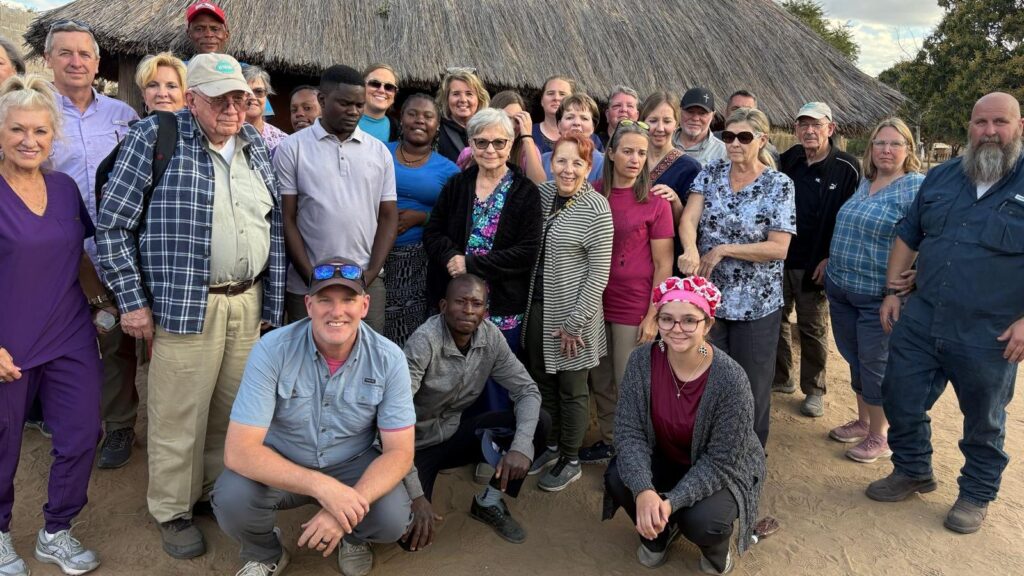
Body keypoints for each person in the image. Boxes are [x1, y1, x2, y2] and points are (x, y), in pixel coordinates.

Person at [97, 53, 285, 559]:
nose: (232, 108)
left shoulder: (254, 147)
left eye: (240, 98)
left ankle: (209, 493)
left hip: (246, 301)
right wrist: (133, 302)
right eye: (220, 99)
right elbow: (113, 226)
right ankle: (172, 509)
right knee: (179, 414)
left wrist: (271, 306)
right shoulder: (154, 137)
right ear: (192, 99)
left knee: (231, 410)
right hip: (184, 304)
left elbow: (273, 230)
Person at [867, 92, 1024, 535]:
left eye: (999, 122)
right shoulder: (942, 176)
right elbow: (909, 234)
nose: (989, 132)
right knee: (899, 395)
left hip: (989, 332)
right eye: (980, 122)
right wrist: (892, 290)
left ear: (1019, 127)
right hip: (923, 316)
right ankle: (912, 469)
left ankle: (976, 493)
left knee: (984, 420)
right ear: (969, 126)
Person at [213, 256, 415, 576]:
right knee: (231, 499)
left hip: (351, 462)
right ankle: (265, 552)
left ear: (364, 305)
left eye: (348, 300)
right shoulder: (272, 349)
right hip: (283, 458)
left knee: (392, 518)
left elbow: (400, 452)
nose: (337, 311)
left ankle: (353, 536)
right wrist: (323, 488)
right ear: (308, 305)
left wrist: (344, 509)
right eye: (325, 300)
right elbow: (239, 451)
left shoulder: (389, 359)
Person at [0, 74, 106, 576]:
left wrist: (102, 302)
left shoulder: (63, 188)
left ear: (53, 136)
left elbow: (77, 253)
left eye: (40, 131)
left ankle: (56, 530)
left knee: (82, 433)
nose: (30, 140)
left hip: (69, 333)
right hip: (9, 341)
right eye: (18, 130)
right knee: (3, 444)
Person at [603, 276, 765, 575]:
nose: (676, 329)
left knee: (703, 521)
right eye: (667, 319)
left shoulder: (730, 379)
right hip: (667, 455)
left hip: (722, 469)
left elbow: (722, 461)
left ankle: (716, 551)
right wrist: (644, 491)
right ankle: (657, 537)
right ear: (657, 321)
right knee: (619, 477)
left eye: (689, 320)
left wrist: (671, 502)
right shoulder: (641, 361)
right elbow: (629, 432)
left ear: (707, 324)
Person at [44, 20, 141, 469]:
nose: (76, 62)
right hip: (58, 254)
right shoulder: (37, 115)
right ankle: (74, 426)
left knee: (117, 340)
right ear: (48, 59)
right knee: (65, 344)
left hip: (116, 251)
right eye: (65, 53)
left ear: (98, 63)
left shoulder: (123, 116)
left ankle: (119, 425)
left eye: (84, 54)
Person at [401, 274, 550, 548]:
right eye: (460, 302)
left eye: (476, 303)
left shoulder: (490, 337)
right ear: (443, 306)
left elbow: (527, 390)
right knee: (409, 535)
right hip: (413, 446)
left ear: (485, 311)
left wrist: (520, 446)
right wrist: (415, 494)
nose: (468, 310)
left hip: (455, 434)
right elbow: (394, 419)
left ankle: (488, 502)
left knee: (539, 422)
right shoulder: (424, 342)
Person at [678, 107, 795, 451]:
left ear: (762, 140)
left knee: (750, 387)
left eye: (744, 137)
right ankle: (711, 452)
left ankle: (747, 458)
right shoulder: (711, 172)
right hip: (709, 301)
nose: (734, 143)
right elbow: (689, 219)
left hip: (755, 305)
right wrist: (691, 248)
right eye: (728, 136)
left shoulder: (778, 185)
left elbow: (779, 248)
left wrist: (723, 250)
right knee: (708, 380)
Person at [422, 108, 542, 410]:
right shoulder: (457, 185)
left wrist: (471, 264)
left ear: (510, 144)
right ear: (471, 144)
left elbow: (527, 252)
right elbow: (433, 232)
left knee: (497, 386)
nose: (490, 150)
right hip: (457, 305)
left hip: (502, 306)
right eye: (481, 142)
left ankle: (495, 435)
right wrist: (451, 256)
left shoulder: (525, 192)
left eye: (499, 142)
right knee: (454, 379)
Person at [825, 118, 923, 463]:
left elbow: (932, 234)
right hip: (841, 286)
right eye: (880, 143)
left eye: (895, 144)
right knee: (855, 358)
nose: (886, 150)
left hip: (878, 295)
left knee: (875, 364)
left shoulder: (916, 187)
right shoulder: (866, 181)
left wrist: (916, 274)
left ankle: (880, 435)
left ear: (908, 149)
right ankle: (864, 421)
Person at [521, 134, 614, 489]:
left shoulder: (597, 208)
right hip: (537, 308)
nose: (568, 169)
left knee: (572, 388)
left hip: (575, 315)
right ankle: (551, 445)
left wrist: (575, 323)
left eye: (577, 162)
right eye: (561, 160)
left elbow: (598, 275)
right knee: (542, 380)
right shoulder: (543, 195)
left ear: (589, 168)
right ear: (551, 163)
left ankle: (571, 458)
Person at [275, 64, 397, 331]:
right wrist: (311, 277)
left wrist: (370, 273)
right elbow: (287, 218)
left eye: (359, 105)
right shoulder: (292, 148)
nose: (354, 111)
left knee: (367, 351)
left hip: (365, 281)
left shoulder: (379, 153)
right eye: (345, 104)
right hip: (307, 282)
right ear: (322, 100)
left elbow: (388, 217)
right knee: (307, 352)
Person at [581, 121, 673, 465]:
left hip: (633, 305)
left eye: (642, 153)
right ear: (611, 153)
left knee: (629, 382)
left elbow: (663, 264)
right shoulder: (590, 194)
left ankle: (638, 452)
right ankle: (612, 443)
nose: (635, 159)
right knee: (600, 378)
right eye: (628, 151)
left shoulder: (655, 203)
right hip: (593, 302)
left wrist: (653, 315)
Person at [775, 102, 861, 418]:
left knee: (812, 326)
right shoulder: (789, 160)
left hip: (818, 262)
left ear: (830, 128)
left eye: (816, 125)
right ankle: (782, 377)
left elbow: (852, 219)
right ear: (796, 129)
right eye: (804, 125)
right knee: (777, 320)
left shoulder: (847, 167)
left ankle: (814, 390)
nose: (809, 131)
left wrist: (831, 258)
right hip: (782, 257)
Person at [383, 94, 460, 345]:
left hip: (416, 258)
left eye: (428, 116)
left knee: (406, 328)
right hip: (372, 251)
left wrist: (422, 217)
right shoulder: (379, 152)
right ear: (401, 119)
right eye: (412, 114)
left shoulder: (449, 170)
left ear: (437, 126)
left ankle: (403, 371)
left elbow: (455, 217)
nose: (420, 120)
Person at [540, 94, 605, 183]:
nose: (577, 123)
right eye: (569, 117)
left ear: (593, 127)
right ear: (559, 125)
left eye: (584, 118)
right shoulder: (543, 160)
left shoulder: (603, 164)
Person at [531, 75, 603, 154]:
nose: (556, 98)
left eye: (562, 94)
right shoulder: (529, 133)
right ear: (542, 100)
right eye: (550, 93)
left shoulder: (593, 139)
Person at [487, 91, 545, 183]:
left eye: (518, 120)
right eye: (506, 118)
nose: (513, 126)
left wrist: (527, 137)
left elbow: (539, 184)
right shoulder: (475, 150)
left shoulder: (526, 150)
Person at [435, 67, 490, 162]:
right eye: (456, 94)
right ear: (446, 99)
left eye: (469, 94)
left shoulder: (489, 131)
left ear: (479, 99)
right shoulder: (436, 133)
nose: (463, 100)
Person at [672, 88, 727, 166]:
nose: (695, 118)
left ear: (713, 116)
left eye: (702, 113)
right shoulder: (662, 141)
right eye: (690, 112)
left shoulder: (723, 153)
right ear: (679, 111)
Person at [243, 65, 287, 151]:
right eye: (246, 91)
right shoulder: (224, 135)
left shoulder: (282, 141)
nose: (252, 97)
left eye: (259, 91)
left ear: (266, 95)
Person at [358, 63, 399, 142]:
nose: (382, 90)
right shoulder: (342, 121)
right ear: (362, 87)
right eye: (375, 84)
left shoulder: (400, 130)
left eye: (389, 87)